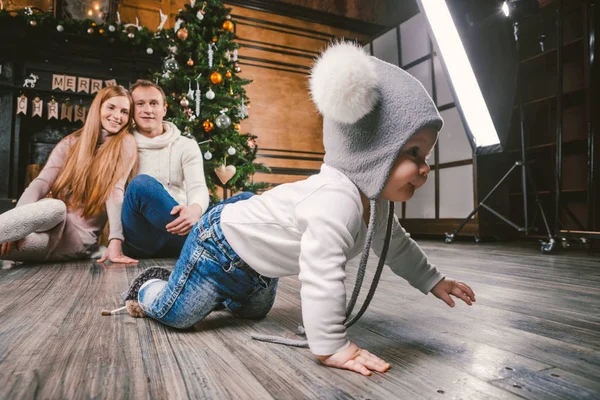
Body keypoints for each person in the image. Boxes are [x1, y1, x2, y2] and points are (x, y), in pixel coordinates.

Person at [123, 43, 476, 376]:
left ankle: (213, 291)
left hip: (258, 264)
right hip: (218, 245)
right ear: (370, 150)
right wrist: (332, 346)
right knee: (179, 314)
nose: (425, 168)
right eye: (413, 153)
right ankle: (151, 287)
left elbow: (396, 247)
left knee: (254, 313)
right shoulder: (336, 201)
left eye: (426, 156)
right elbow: (321, 275)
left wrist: (433, 280)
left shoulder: (376, 204)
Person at [0, 86, 138, 263]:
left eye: (125, 112)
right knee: (56, 207)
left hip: (75, 240)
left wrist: (116, 240)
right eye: (111, 107)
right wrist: (16, 226)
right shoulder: (71, 143)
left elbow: (115, 191)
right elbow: (41, 183)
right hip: (49, 220)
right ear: (99, 108)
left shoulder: (125, 143)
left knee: (6, 246)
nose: (117, 116)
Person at [120, 80, 212, 259]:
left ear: (164, 109)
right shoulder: (122, 144)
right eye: (140, 104)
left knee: (243, 201)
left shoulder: (186, 145)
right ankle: (209, 245)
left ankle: (202, 244)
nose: (148, 109)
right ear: (132, 110)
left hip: (181, 231)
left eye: (154, 103)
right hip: (142, 238)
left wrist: (194, 210)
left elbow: (197, 187)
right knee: (141, 184)